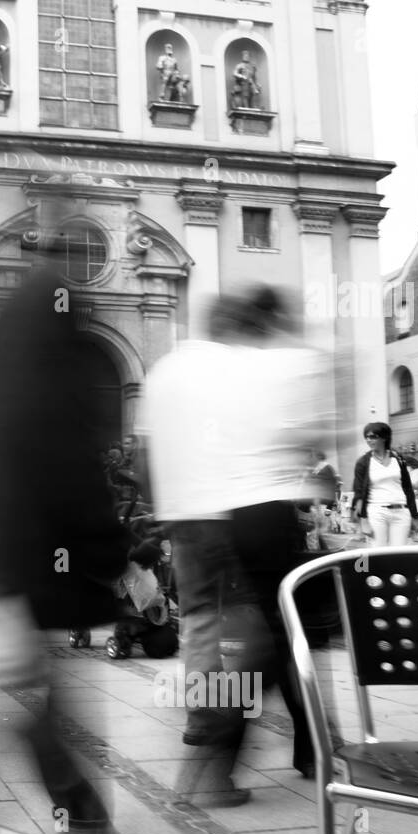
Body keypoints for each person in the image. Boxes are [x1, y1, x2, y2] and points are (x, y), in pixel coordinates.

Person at [0, 231, 154, 834]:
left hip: (23, 552)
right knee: (29, 704)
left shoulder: (18, 318)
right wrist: (115, 552)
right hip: (45, 555)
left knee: (36, 699)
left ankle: (87, 824)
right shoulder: (52, 322)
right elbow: (67, 454)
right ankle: (86, 825)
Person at [143, 288, 323, 805]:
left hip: (184, 518)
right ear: (240, 327)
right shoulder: (240, 366)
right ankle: (223, 755)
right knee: (257, 634)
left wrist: (165, 510)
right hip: (232, 514)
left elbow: (144, 452)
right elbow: (282, 439)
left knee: (202, 628)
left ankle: (208, 728)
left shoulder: (166, 370)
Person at [352, 423, 418, 548]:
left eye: (373, 437)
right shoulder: (363, 462)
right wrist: (363, 519)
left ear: (384, 437)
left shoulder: (398, 458)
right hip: (377, 511)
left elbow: (407, 488)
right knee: (378, 552)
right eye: (366, 437)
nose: (368, 440)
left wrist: (415, 515)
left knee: (399, 553)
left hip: (401, 511)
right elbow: (359, 492)